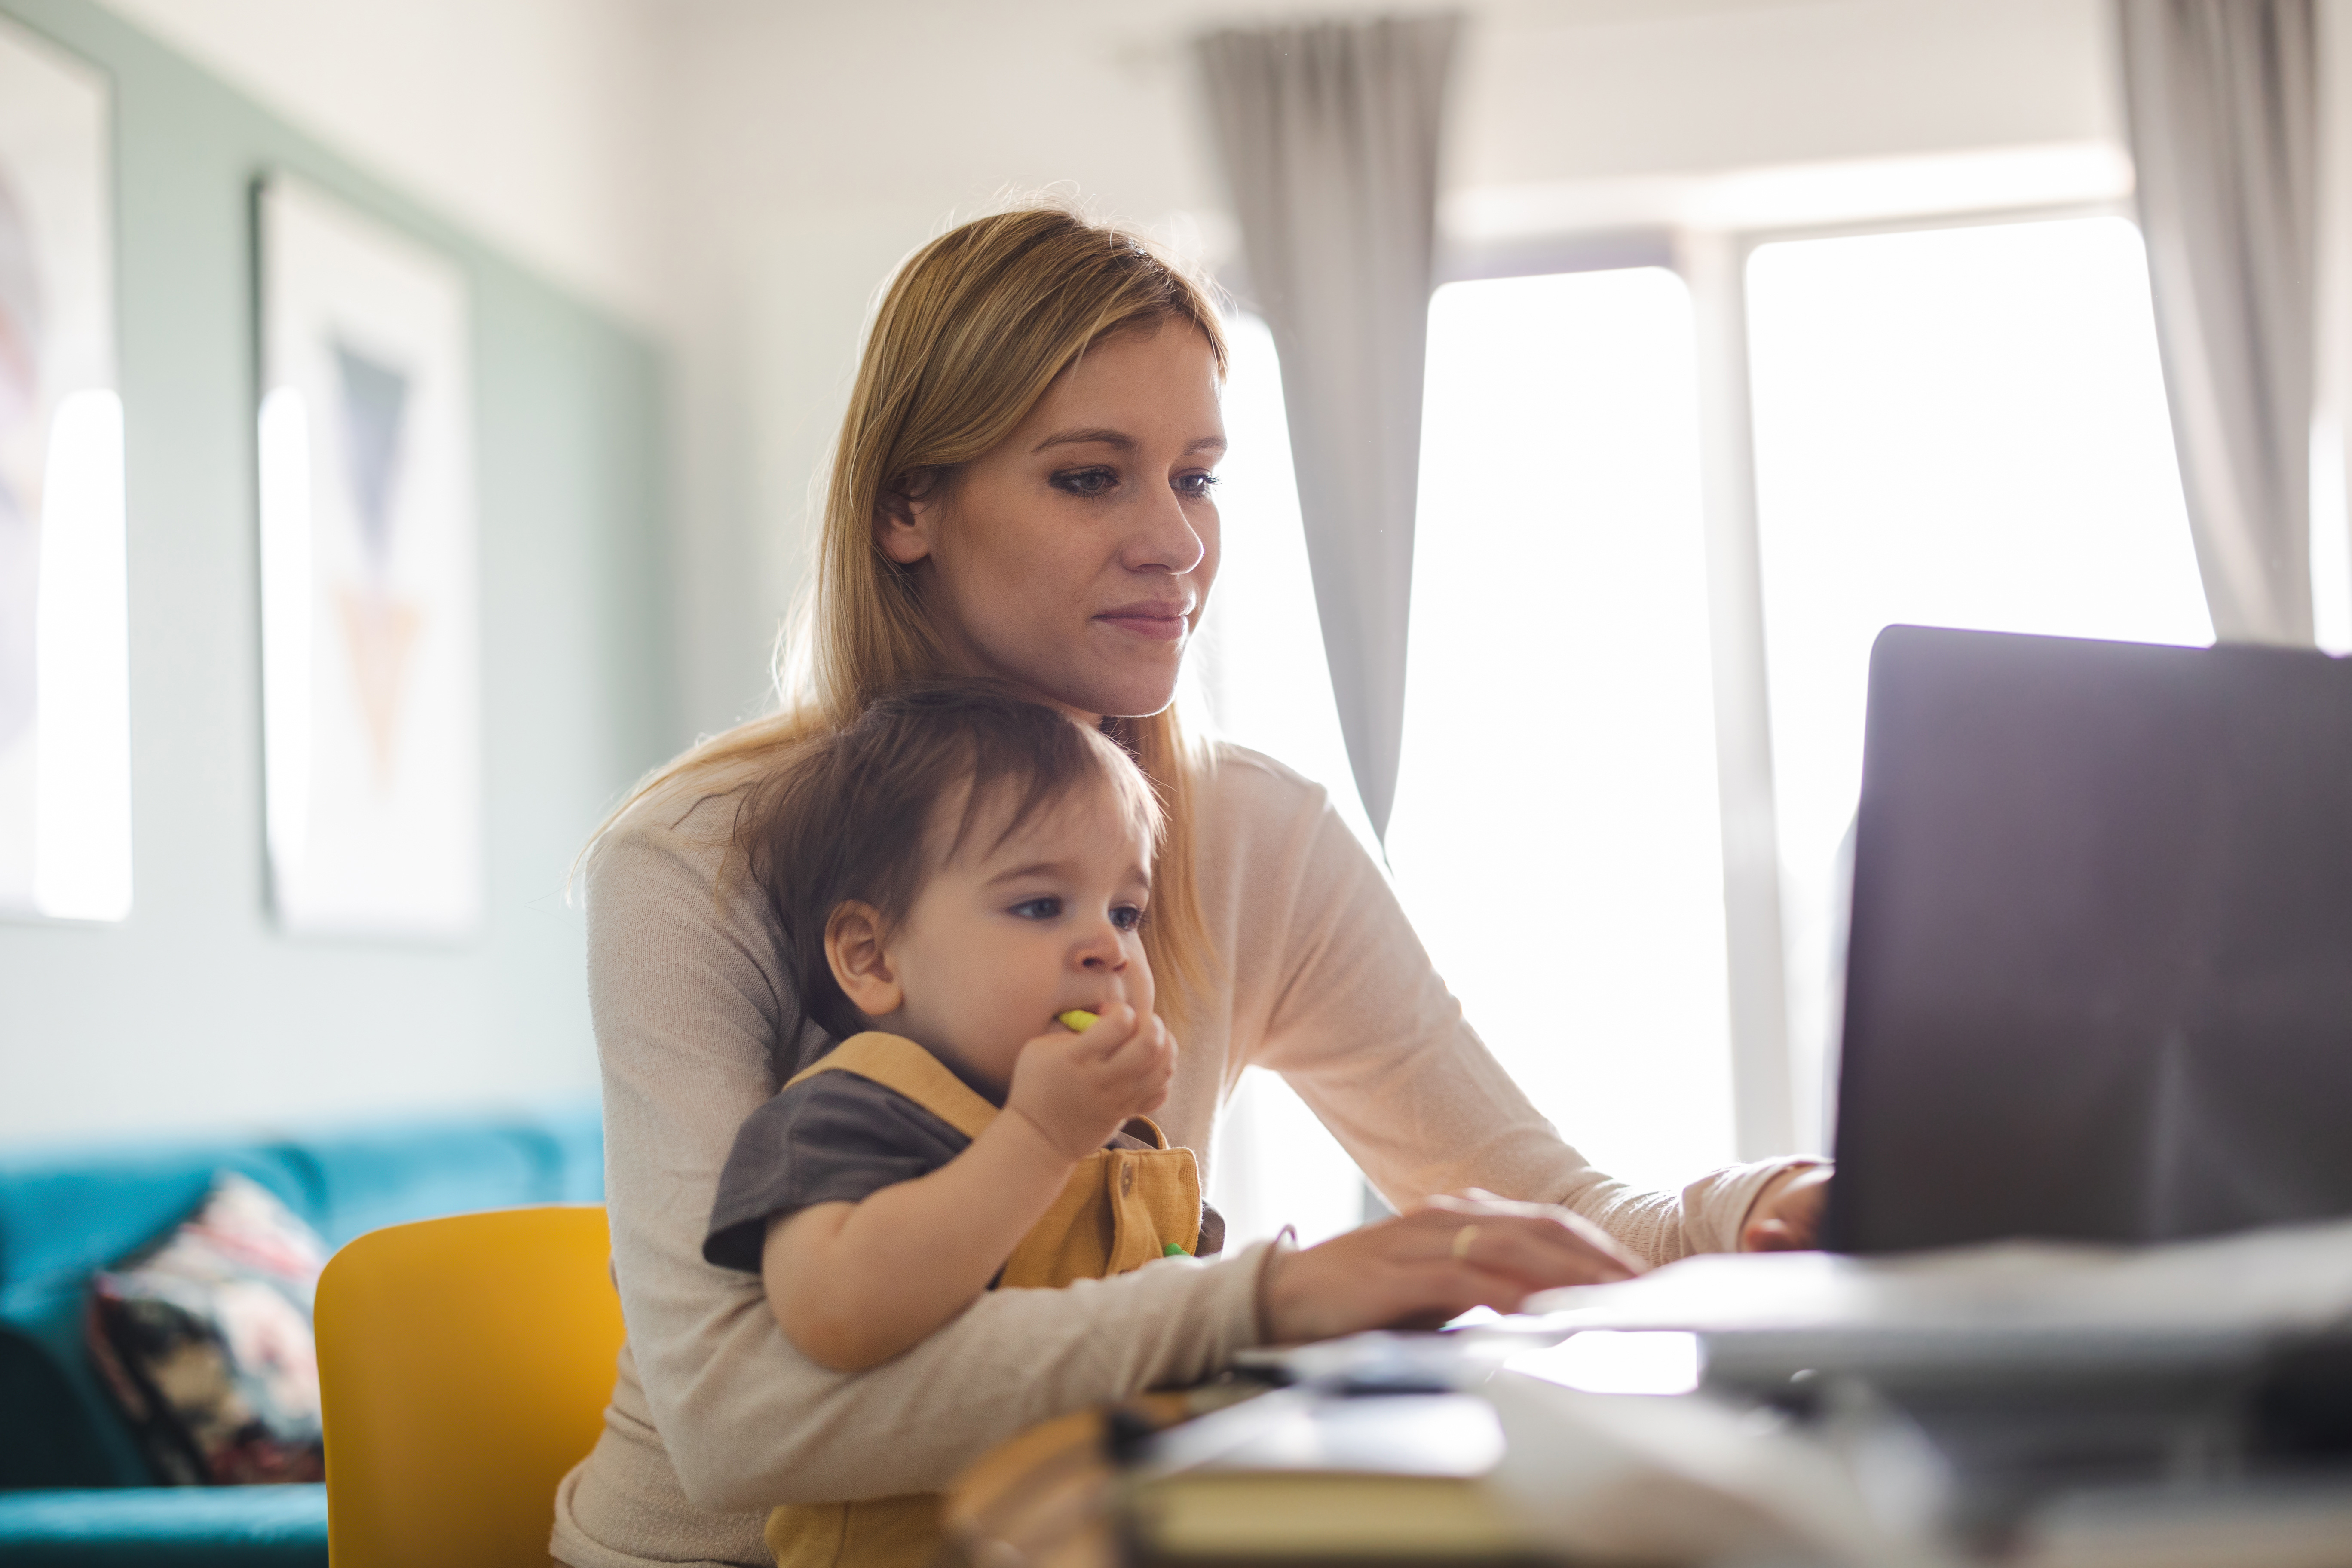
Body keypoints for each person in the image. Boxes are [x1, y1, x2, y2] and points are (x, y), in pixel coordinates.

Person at [552, 202, 1830, 1568]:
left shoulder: (1251, 833)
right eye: (1092, 477)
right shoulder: (700, 857)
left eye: (1199, 478)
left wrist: (1754, 1215)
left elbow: (1537, 1206)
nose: (1177, 543)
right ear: (906, 508)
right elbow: (744, 1426)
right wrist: (1265, 1301)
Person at [703, 682, 1223, 1565]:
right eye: (1039, 906)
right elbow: (837, 1313)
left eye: (1125, 912)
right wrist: (1041, 1139)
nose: (1108, 947)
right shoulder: (854, 1105)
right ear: (873, 958)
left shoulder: (1126, 1148)